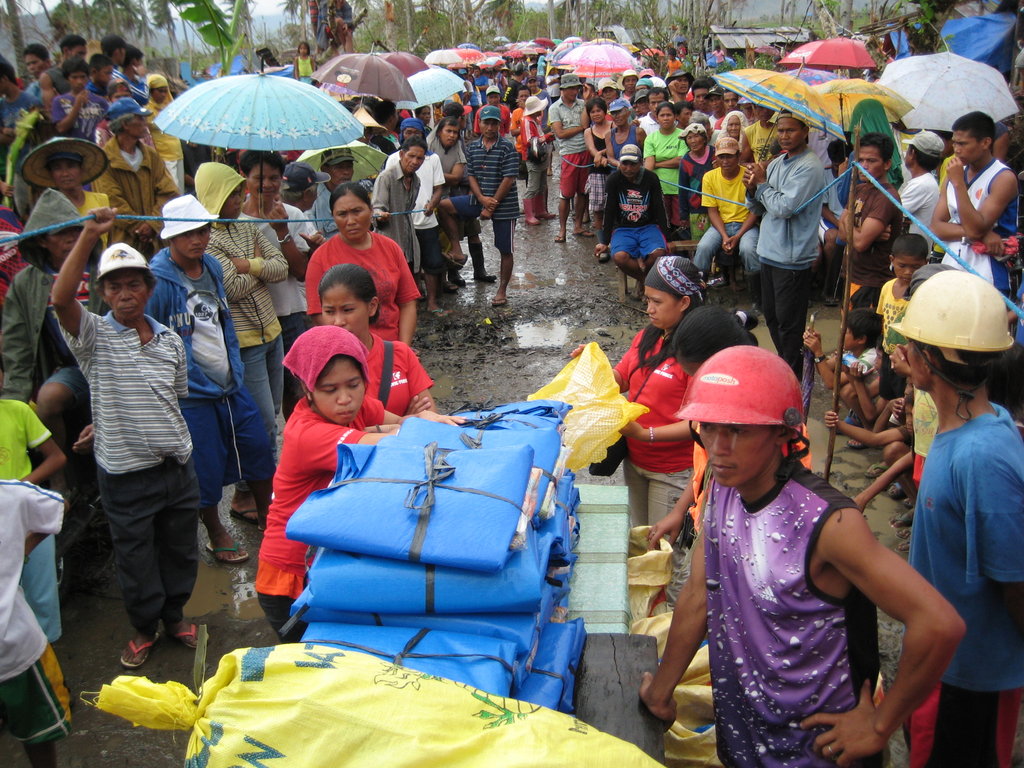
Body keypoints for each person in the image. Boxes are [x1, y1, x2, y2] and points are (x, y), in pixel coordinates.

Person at [639, 344, 965, 766]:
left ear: (782, 432)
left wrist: (881, 724)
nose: (718, 447)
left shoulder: (828, 524)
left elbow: (939, 624)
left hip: (820, 751)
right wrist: (662, 692)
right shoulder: (723, 489)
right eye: (709, 427)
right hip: (745, 736)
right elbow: (700, 592)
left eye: (738, 430)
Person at [52, 210, 202, 669]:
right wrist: (87, 236)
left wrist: (105, 418)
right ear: (101, 293)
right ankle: (143, 627)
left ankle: (175, 617)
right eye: (113, 286)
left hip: (176, 466)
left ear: (148, 289)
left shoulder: (171, 341)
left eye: (133, 284)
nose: (124, 294)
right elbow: (60, 300)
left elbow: (169, 400)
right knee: (135, 557)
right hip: (124, 476)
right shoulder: (94, 336)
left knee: (180, 547)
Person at [890, 270, 1024, 767]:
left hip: (968, 678)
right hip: (939, 666)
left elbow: (1014, 582)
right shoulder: (975, 429)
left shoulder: (981, 458)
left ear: (926, 360)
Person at [255, 325, 459, 640]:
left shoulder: (355, 407)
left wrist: (420, 419)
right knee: (315, 665)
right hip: (291, 574)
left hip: (327, 557)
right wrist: (417, 425)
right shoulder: (306, 433)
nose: (345, 399)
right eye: (329, 389)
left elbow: (399, 424)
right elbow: (394, 445)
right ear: (308, 389)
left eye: (354, 384)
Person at [147, 194, 276, 553]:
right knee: (204, 464)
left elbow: (223, 323)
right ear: (171, 238)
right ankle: (216, 531)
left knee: (257, 446)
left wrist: (232, 366)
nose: (198, 239)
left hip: (229, 379)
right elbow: (151, 339)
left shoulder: (213, 267)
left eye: (203, 230)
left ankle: (269, 519)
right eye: (188, 233)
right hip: (190, 392)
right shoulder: (157, 281)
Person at [195, 161, 287, 473]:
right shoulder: (207, 240)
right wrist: (260, 267)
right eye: (233, 194)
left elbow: (281, 267)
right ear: (217, 197)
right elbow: (231, 288)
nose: (240, 198)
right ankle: (257, 486)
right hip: (246, 341)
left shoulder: (247, 226)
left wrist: (249, 266)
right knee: (261, 421)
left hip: (272, 331)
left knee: (273, 412)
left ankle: (258, 483)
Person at [598, 256, 701, 527]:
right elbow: (622, 378)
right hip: (634, 460)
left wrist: (646, 434)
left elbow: (701, 423)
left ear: (684, 302)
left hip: (673, 469)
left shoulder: (696, 354)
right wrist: (592, 367)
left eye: (657, 302)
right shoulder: (648, 336)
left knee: (663, 552)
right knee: (640, 537)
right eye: (647, 301)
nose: (650, 309)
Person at [2, 190, 100, 471]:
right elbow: (16, 344)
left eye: (74, 229)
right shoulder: (26, 283)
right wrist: (13, 404)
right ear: (43, 240)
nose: (70, 238)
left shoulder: (102, 269)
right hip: (71, 367)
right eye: (60, 233)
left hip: (110, 364)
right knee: (47, 399)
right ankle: (60, 476)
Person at [240, 153, 324, 418]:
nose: (267, 184)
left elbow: (301, 272)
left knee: (296, 390)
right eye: (260, 178)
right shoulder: (232, 218)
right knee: (258, 394)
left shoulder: (293, 214)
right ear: (245, 178)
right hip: (249, 319)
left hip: (289, 312)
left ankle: (295, 443)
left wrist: (281, 231)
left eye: (274, 178)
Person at [744, 111, 825, 375]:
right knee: (774, 317)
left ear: (805, 131)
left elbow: (785, 207)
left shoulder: (810, 166)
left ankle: (794, 373)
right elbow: (759, 205)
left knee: (790, 324)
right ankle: (785, 366)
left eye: (790, 130)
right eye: (780, 131)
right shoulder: (778, 162)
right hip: (769, 251)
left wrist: (762, 184)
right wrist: (751, 187)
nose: (784, 136)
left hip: (792, 257)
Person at [0, 480, 71, 768]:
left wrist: (21, 550)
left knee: (38, 735)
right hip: (15, 649)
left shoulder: (9, 494)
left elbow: (57, 506)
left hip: (14, 652)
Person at [305, 182, 419, 344]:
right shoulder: (321, 258)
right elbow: (318, 314)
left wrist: (403, 348)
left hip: (391, 347)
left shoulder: (391, 248)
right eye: (342, 214)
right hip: (346, 351)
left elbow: (407, 302)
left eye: (357, 211)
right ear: (333, 216)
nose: (351, 221)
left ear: (371, 210)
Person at [318, 263, 435, 415]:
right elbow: (328, 432)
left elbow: (429, 415)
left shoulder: (400, 354)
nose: (338, 321)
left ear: (372, 306)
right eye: (329, 311)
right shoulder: (317, 365)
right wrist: (406, 422)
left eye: (348, 310)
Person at [440, 105, 520, 307]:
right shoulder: (473, 147)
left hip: (505, 204)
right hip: (479, 199)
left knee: (505, 249)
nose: (490, 127)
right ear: (480, 124)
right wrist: (482, 199)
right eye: (487, 122)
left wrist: (490, 205)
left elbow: (508, 178)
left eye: (494, 123)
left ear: (500, 126)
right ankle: (457, 248)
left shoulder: (507, 147)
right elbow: (472, 176)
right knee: (444, 206)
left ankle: (502, 290)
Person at [933, 111, 1018, 293]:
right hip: (952, 264)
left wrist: (958, 184)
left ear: (986, 142)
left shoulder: (1002, 177)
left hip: (988, 269)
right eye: (955, 142)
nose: (956, 149)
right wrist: (981, 235)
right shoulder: (954, 173)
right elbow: (936, 228)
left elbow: (975, 228)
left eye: (963, 143)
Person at [93, 98, 178, 257]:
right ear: (125, 124)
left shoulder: (151, 155)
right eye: (140, 119)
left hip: (156, 240)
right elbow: (112, 200)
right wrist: (138, 227)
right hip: (123, 241)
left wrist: (152, 224)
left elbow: (168, 191)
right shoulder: (105, 160)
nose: (145, 123)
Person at [380, 124, 448, 315]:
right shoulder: (390, 166)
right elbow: (380, 202)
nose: (415, 161)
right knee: (405, 266)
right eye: (411, 156)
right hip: (399, 227)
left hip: (425, 221)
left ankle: (431, 302)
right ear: (402, 154)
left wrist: (432, 204)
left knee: (432, 263)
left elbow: (438, 188)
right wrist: (381, 214)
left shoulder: (429, 163)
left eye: (419, 158)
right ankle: (409, 304)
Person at [836, 132, 904, 312]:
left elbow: (859, 243)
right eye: (860, 160)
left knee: (860, 338)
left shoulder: (886, 197)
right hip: (852, 277)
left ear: (887, 164)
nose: (863, 166)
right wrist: (858, 228)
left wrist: (849, 221)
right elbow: (842, 235)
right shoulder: (859, 189)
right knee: (847, 335)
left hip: (871, 282)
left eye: (871, 161)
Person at [693, 136, 759, 301]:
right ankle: (698, 296)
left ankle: (758, 298)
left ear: (738, 156)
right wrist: (724, 236)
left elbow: (755, 211)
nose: (725, 160)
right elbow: (712, 211)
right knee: (703, 248)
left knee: (748, 250)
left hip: (746, 225)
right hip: (720, 225)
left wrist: (737, 236)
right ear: (716, 157)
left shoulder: (749, 175)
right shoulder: (709, 177)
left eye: (729, 156)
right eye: (721, 156)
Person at [596, 143, 669, 277]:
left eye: (633, 164)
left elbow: (660, 208)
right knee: (619, 257)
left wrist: (667, 236)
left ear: (641, 163)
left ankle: (644, 282)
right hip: (623, 228)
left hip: (648, 226)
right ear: (620, 163)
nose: (628, 169)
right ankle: (644, 282)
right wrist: (605, 241)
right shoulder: (613, 179)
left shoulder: (651, 178)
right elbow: (609, 210)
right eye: (625, 164)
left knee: (659, 253)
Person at [21, 137, 110, 245]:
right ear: (51, 174)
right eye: (57, 168)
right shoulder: (48, 208)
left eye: (71, 166)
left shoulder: (101, 200)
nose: (65, 174)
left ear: (81, 169)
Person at [875, 233, 929, 402]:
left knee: (903, 399)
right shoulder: (887, 287)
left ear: (925, 264)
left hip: (908, 359)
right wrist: (880, 351)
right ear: (892, 260)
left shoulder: (923, 293)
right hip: (887, 355)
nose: (908, 272)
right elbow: (883, 321)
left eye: (915, 267)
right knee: (886, 394)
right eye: (902, 265)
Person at [548, 73, 591, 242]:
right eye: (571, 88)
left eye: (576, 88)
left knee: (582, 192)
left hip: (584, 151)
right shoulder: (555, 108)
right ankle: (562, 229)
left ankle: (578, 225)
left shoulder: (582, 105)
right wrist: (580, 128)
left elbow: (586, 125)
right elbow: (560, 133)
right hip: (568, 154)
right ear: (563, 90)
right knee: (566, 194)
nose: (575, 91)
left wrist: (586, 100)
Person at [643, 102, 685, 231]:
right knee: (662, 223)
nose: (666, 118)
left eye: (669, 115)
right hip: (660, 188)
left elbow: (681, 160)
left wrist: (658, 164)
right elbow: (649, 164)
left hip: (679, 187)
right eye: (662, 115)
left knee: (680, 225)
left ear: (675, 116)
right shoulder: (651, 138)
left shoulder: (683, 135)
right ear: (657, 118)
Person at [50, 57, 108, 142]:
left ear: (88, 78)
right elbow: (61, 128)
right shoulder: (59, 101)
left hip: (95, 149)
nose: (79, 81)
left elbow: (106, 126)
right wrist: (77, 106)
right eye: (74, 77)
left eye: (82, 77)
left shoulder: (100, 102)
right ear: (67, 79)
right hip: (70, 150)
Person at [145, 74, 184, 192]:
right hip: (163, 156)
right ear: (151, 91)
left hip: (177, 153)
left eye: (165, 91)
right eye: (160, 91)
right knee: (171, 190)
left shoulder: (169, 107)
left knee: (180, 190)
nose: (163, 94)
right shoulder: (147, 110)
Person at [899, 131, 942, 238]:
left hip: (912, 250)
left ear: (912, 153)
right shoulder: (926, 181)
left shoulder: (921, 184)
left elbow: (893, 214)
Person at [677, 122, 715, 241]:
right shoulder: (685, 161)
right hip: (696, 208)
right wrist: (684, 215)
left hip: (717, 205)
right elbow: (682, 189)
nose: (693, 141)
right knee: (699, 243)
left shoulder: (716, 154)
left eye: (696, 136)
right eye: (689, 138)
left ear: (704, 139)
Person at [519, 95, 552, 228]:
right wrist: (546, 137)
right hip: (533, 157)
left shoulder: (533, 120)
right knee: (532, 187)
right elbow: (529, 140)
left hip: (540, 156)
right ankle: (529, 215)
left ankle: (540, 210)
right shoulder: (527, 121)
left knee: (542, 185)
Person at [583, 97, 611, 243]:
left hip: (613, 169)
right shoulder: (589, 131)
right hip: (596, 171)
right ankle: (602, 241)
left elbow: (616, 144)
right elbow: (591, 149)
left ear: (604, 111)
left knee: (613, 206)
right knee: (598, 208)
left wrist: (602, 154)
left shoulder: (613, 126)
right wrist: (598, 155)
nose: (596, 114)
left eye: (598, 110)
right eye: (592, 112)